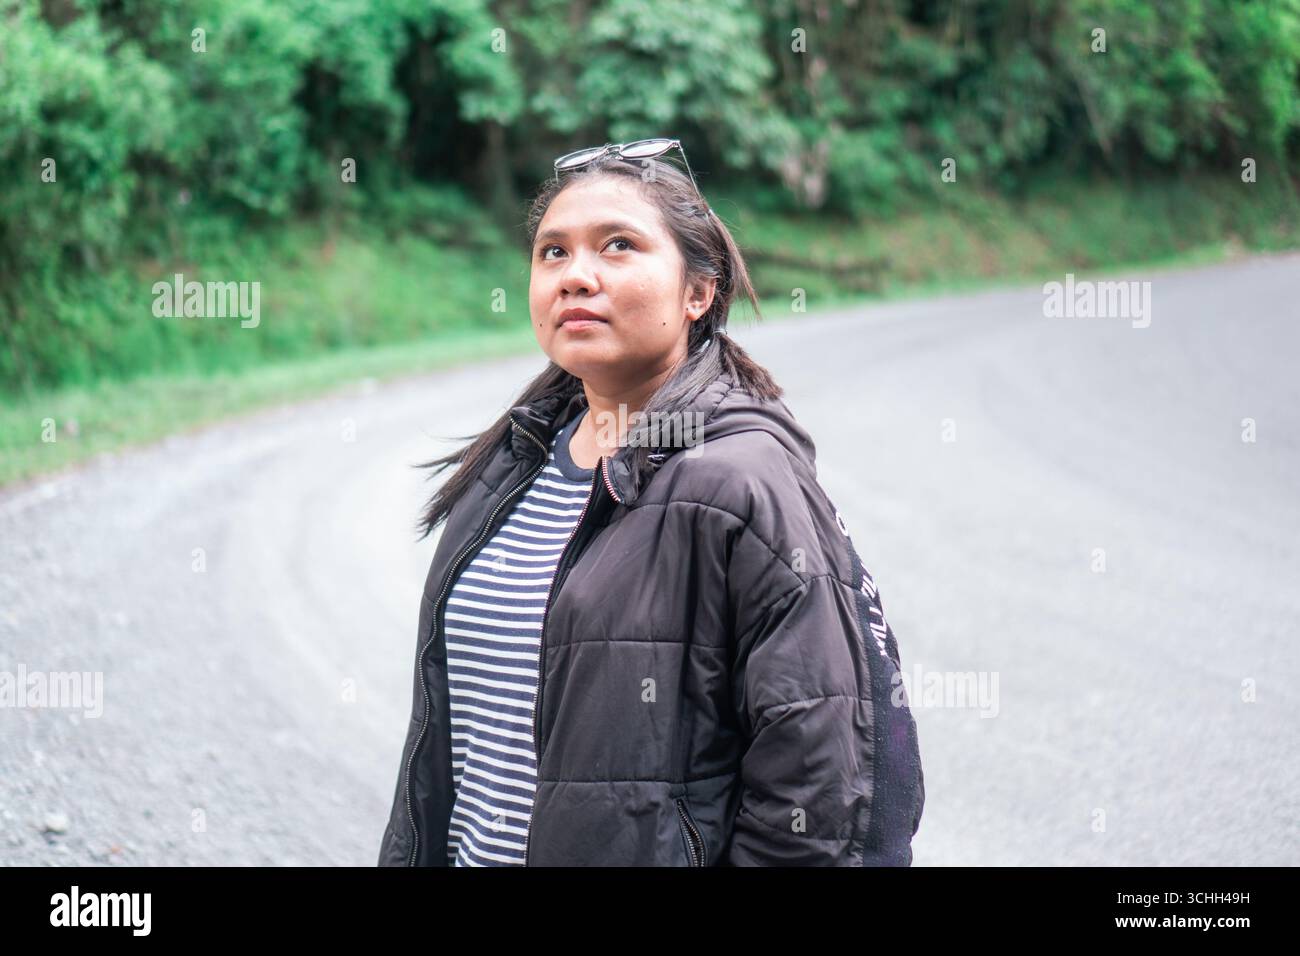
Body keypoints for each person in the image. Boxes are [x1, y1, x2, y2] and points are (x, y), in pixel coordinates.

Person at [377, 139, 924, 866]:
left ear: (699, 292)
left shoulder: (742, 481)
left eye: (618, 246)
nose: (577, 276)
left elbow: (829, 788)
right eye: (553, 253)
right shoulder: (512, 462)